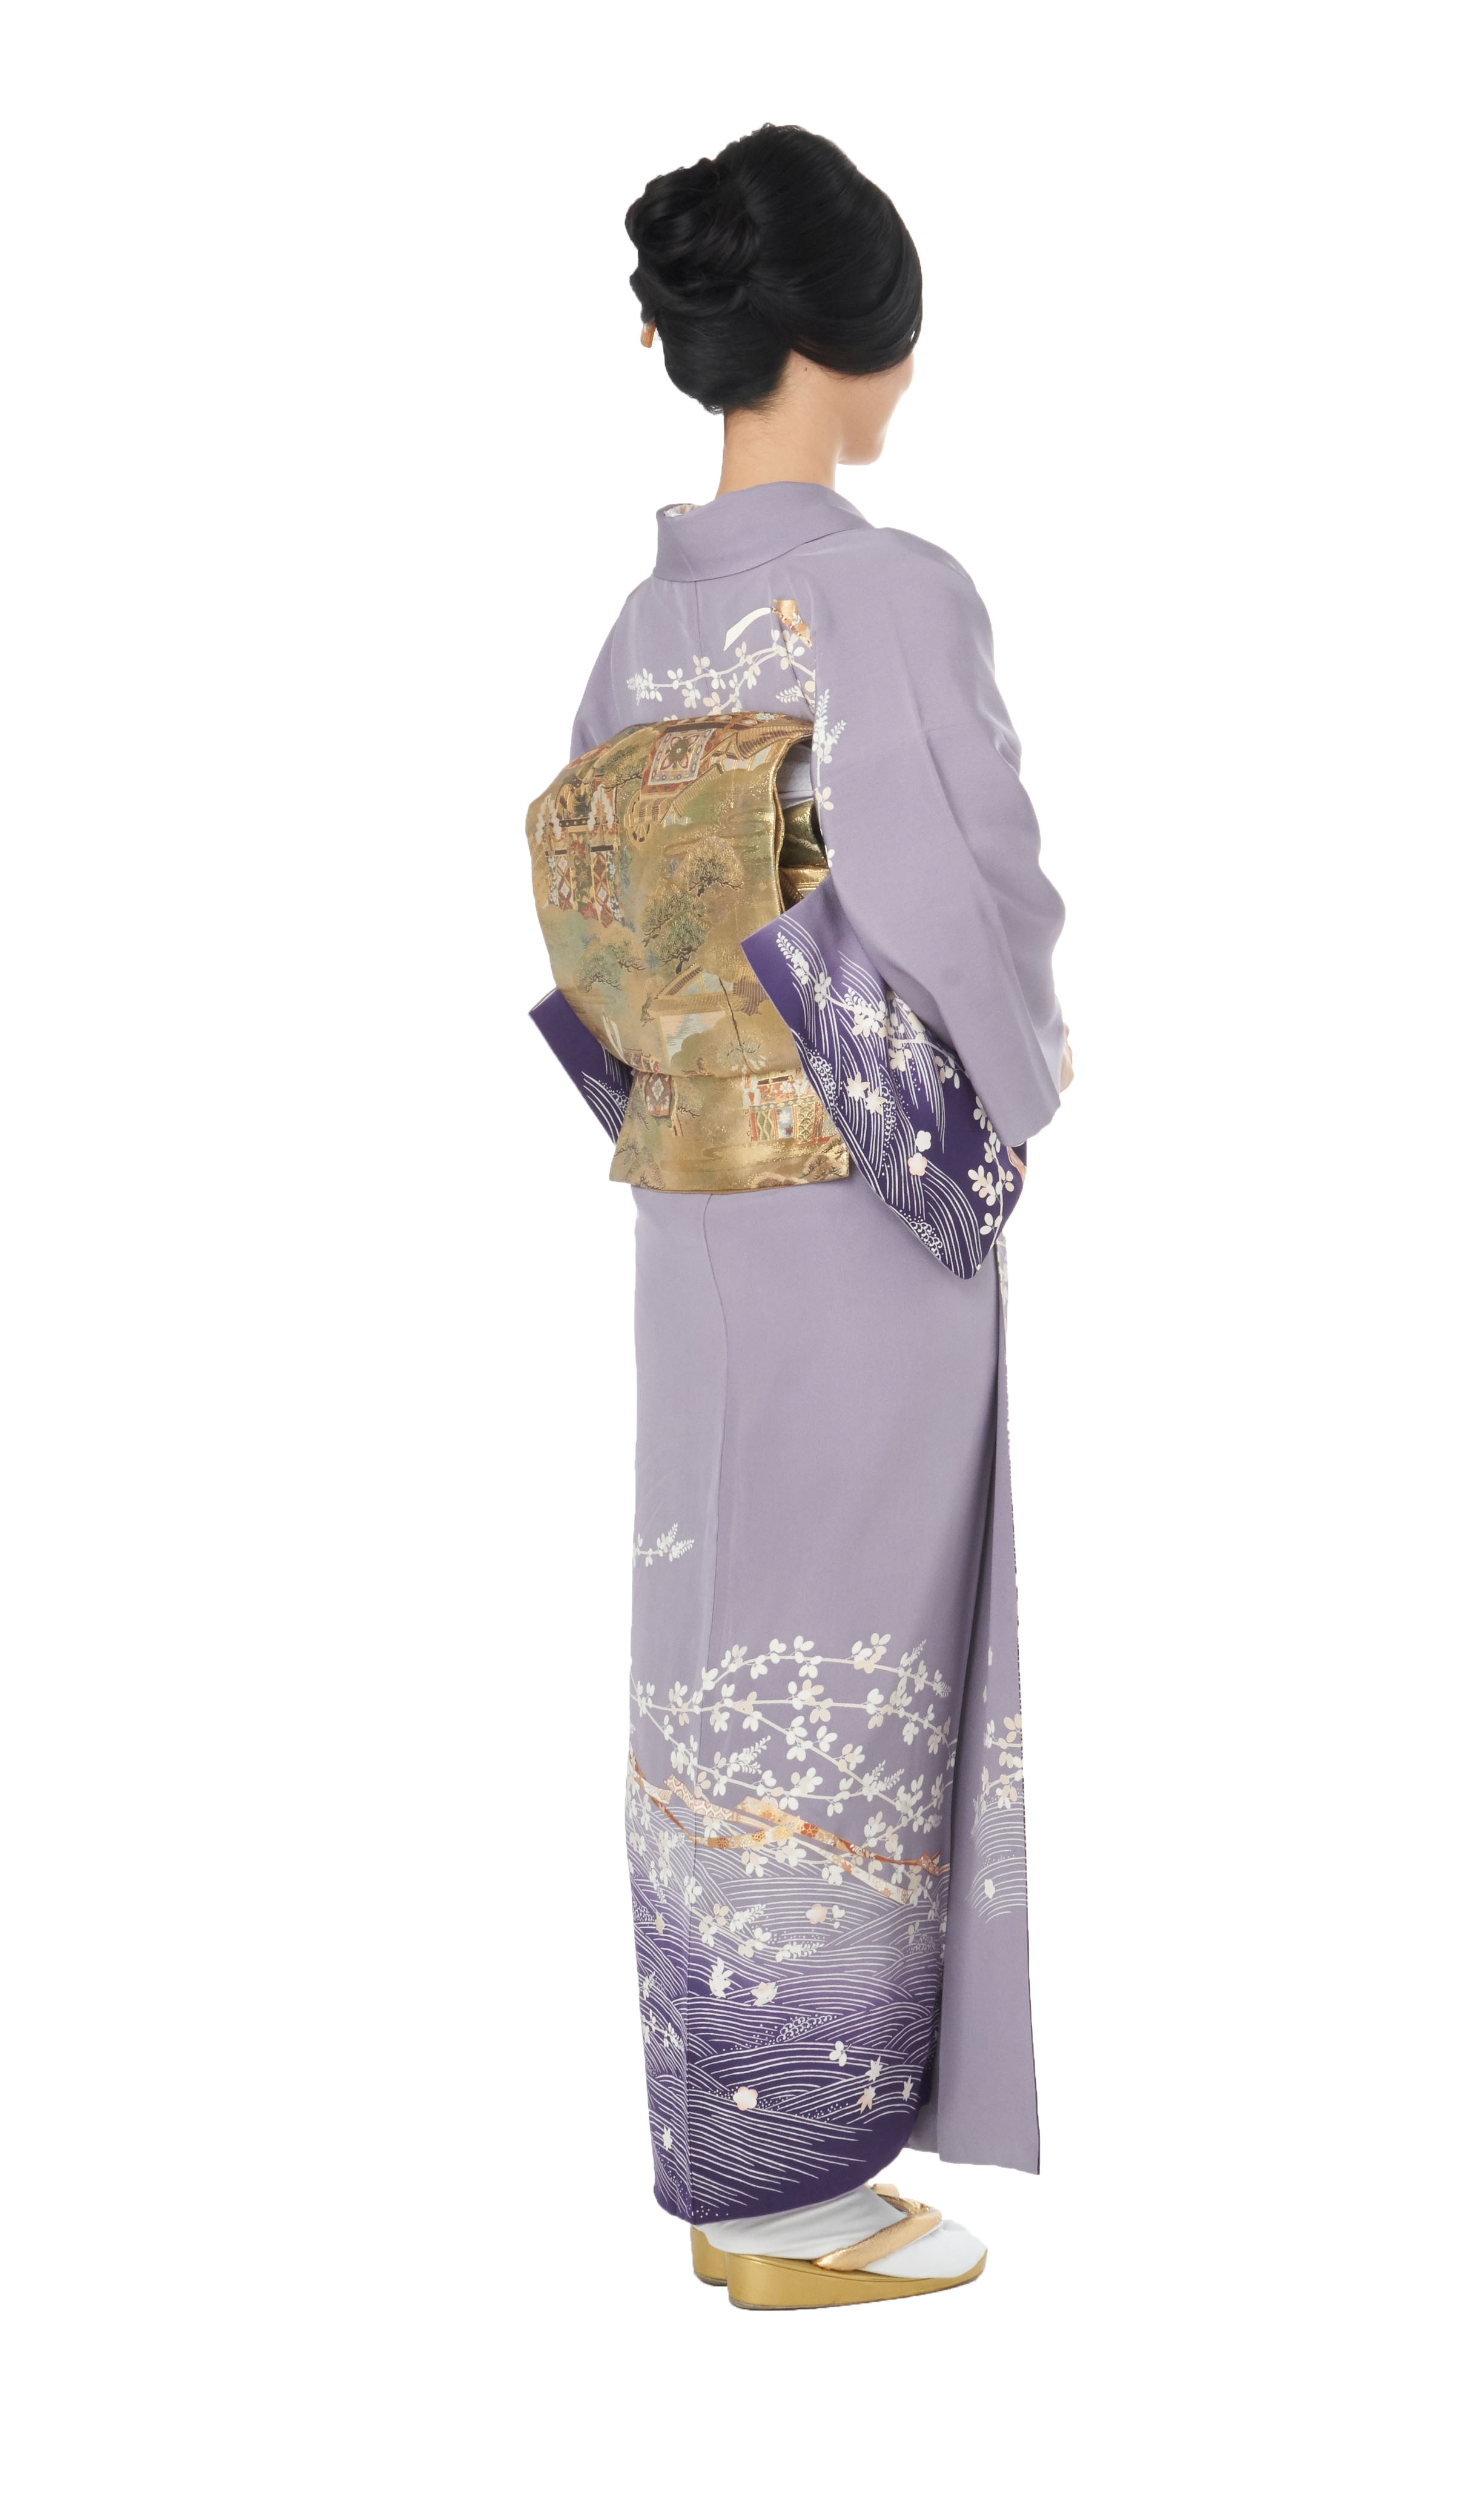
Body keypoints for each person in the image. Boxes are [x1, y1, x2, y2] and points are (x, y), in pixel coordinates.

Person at [529, 124, 1070, 2309]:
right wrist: (1018, 1079)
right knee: (842, 1651)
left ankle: (730, 2150)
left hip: (698, 1215)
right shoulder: (889, 591)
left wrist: (695, 1083)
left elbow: (600, 941)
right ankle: (787, 2193)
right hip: (859, 1203)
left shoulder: (643, 621)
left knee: (715, 1648)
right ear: (866, 339)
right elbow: (967, 891)